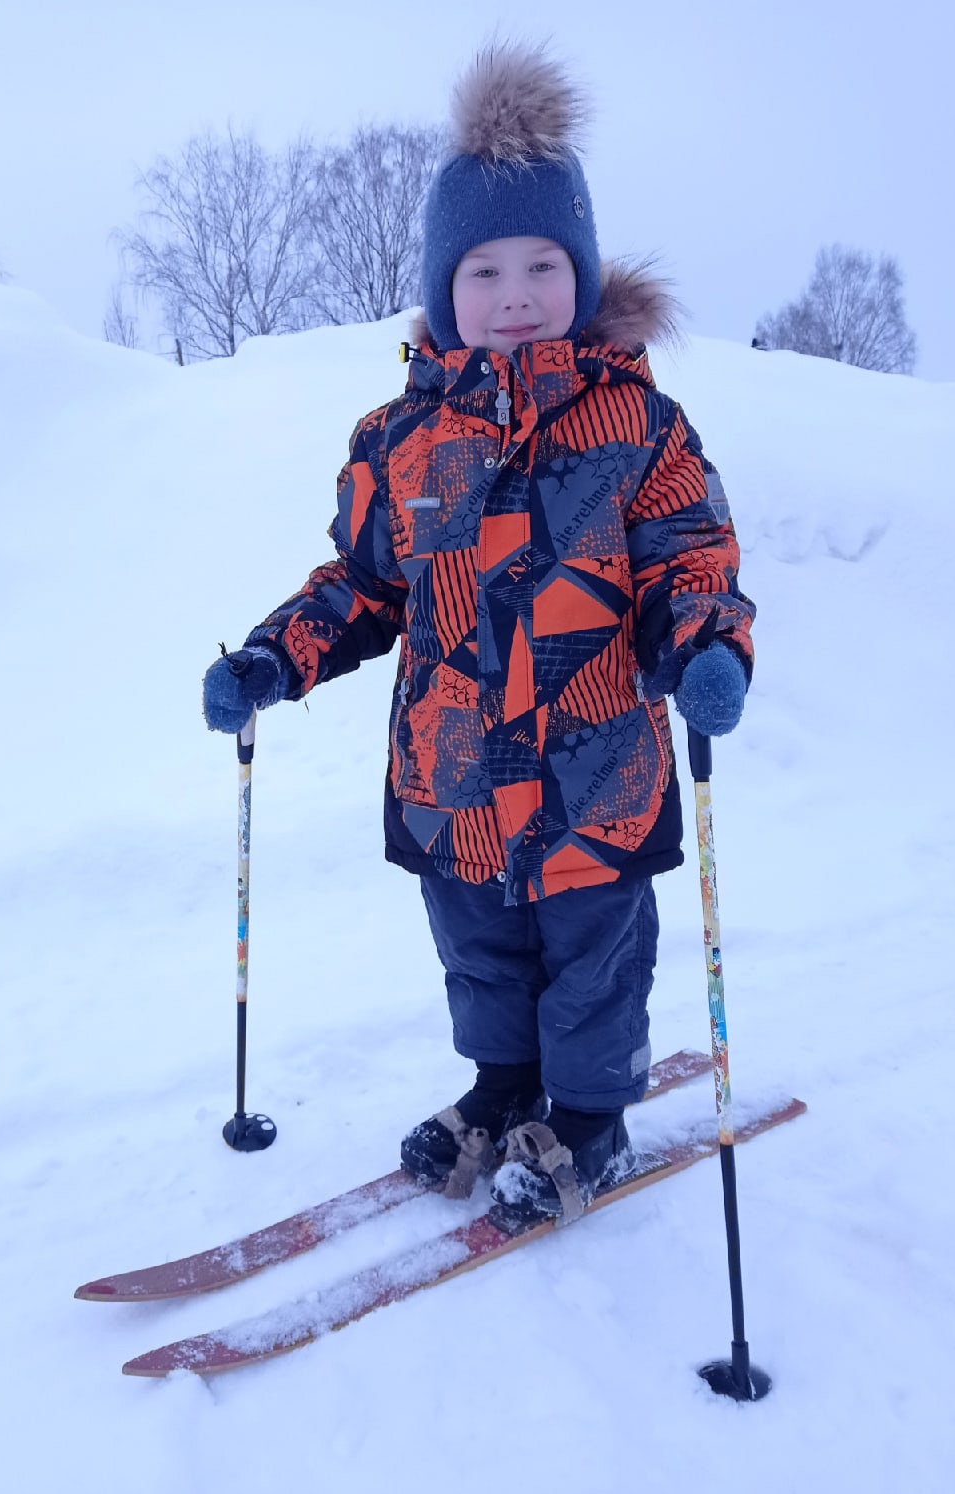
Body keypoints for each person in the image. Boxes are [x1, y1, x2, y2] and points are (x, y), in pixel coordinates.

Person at [203, 42, 755, 1233]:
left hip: (594, 778)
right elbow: (362, 586)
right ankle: (500, 1090)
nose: (515, 293)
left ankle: (590, 1119)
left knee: (593, 962)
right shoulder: (398, 439)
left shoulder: (637, 426)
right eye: (485, 269)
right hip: (451, 776)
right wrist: (275, 656)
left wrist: (703, 645)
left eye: (543, 264)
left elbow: (688, 557)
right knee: (480, 954)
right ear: (442, 289)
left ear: (582, 275)